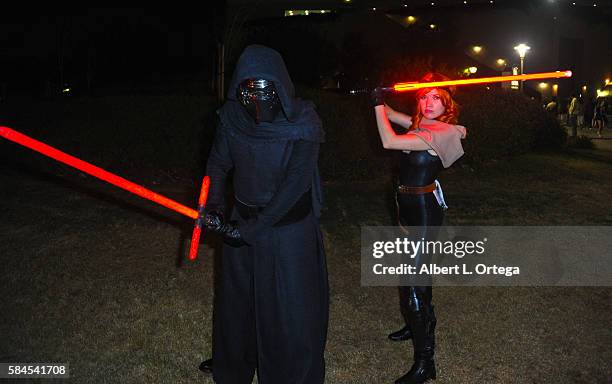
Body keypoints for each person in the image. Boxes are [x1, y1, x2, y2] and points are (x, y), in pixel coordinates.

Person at [201, 44, 329, 383]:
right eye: (249, 89)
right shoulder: (231, 119)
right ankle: (236, 364)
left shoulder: (303, 123)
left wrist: (253, 229)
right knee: (238, 302)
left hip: (288, 231)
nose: (257, 101)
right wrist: (213, 206)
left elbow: (296, 184)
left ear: (280, 87)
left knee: (289, 311)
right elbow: (217, 164)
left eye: (265, 89)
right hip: (241, 221)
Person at [371, 72, 466, 384]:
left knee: (412, 280)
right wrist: (382, 102)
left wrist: (375, 107)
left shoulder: (441, 131)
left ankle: (426, 363)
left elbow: (389, 140)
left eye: (436, 97)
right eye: (424, 96)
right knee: (414, 273)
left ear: (447, 103)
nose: (428, 102)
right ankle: (418, 326)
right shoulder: (424, 124)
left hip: (424, 212)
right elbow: (400, 118)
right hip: (409, 208)